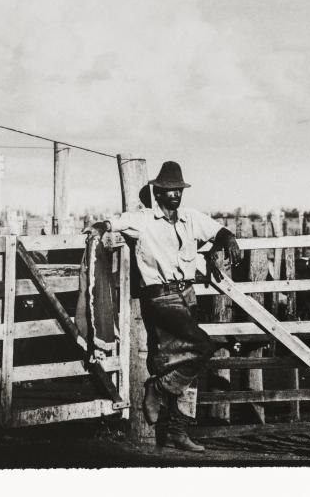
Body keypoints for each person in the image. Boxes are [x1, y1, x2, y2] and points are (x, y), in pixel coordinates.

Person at [87, 161, 241, 452]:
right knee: (202, 347)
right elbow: (117, 222)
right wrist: (101, 227)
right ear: (157, 192)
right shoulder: (144, 219)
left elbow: (217, 230)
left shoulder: (190, 218)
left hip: (187, 294)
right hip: (160, 297)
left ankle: (177, 432)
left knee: (179, 361)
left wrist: (228, 239)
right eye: (168, 190)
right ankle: (156, 389)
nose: (174, 195)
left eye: (178, 190)